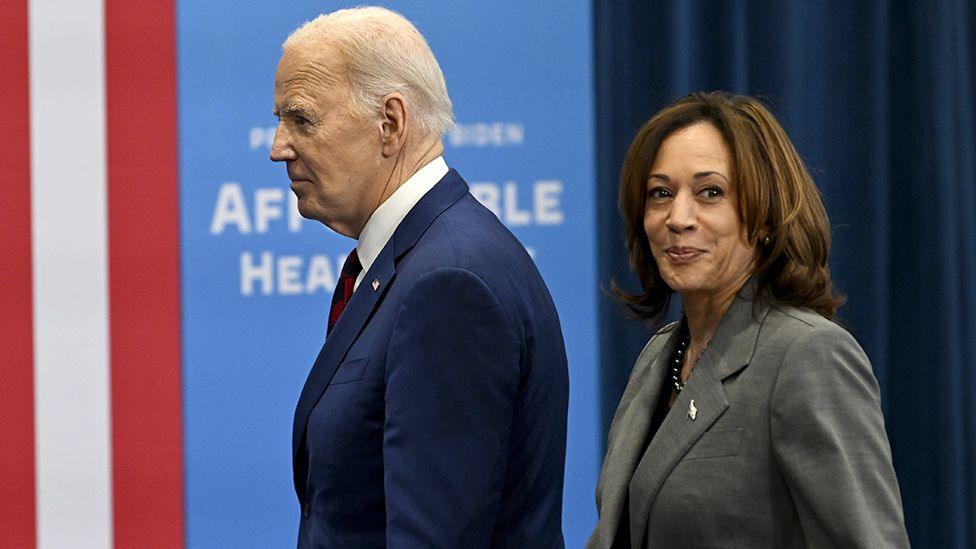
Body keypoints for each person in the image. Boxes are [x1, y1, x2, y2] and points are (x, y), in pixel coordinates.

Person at [270, 7, 568, 548]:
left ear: (391, 123)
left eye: (301, 119)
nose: (278, 147)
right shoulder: (416, 261)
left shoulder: (449, 283)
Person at [587, 92, 910, 548]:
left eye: (710, 193)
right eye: (661, 193)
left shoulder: (807, 355)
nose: (678, 217)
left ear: (764, 216)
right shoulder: (660, 353)